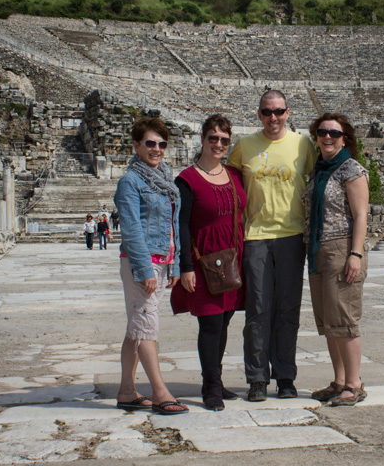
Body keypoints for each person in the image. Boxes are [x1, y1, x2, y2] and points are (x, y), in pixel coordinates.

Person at [227, 90, 317, 401]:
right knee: (258, 311)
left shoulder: (302, 144)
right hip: (256, 237)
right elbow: (228, 181)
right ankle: (256, 378)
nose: (273, 118)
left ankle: (286, 376)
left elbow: (319, 177)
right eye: (267, 112)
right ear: (259, 114)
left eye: (278, 111)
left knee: (288, 310)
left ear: (288, 113)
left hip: (291, 237)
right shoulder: (245, 146)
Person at [170, 114, 247, 411]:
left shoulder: (234, 174)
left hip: (232, 258)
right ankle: (210, 386)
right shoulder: (187, 179)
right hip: (204, 261)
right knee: (211, 323)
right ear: (202, 139)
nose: (218, 144)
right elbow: (183, 224)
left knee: (226, 318)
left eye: (224, 140)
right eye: (213, 138)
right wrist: (186, 266)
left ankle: (217, 379)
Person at [114, 116, 188, 415]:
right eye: (150, 143)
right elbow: (131, 229)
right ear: (136, 145)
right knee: (146, 327)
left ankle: (126, 391)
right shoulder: (130, 181)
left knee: (136, 328)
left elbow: (173, 226)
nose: (156, 149)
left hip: (162, 261)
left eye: (161, 144)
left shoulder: (166, 181)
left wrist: (174, 265)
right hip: (141, 264)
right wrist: (145, 271)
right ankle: (160, 393)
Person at [302, 113, 370, 406]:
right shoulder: (319, 171)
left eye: (334, 133)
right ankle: (339, 380)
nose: (327, 137)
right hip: (318, 251)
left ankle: (354, 384)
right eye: (322, 132)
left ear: (345, 138)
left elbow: (361, 214)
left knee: (344, 319)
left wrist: (355, 254)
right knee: (329, 322)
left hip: (342, 249)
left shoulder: (351, 169)